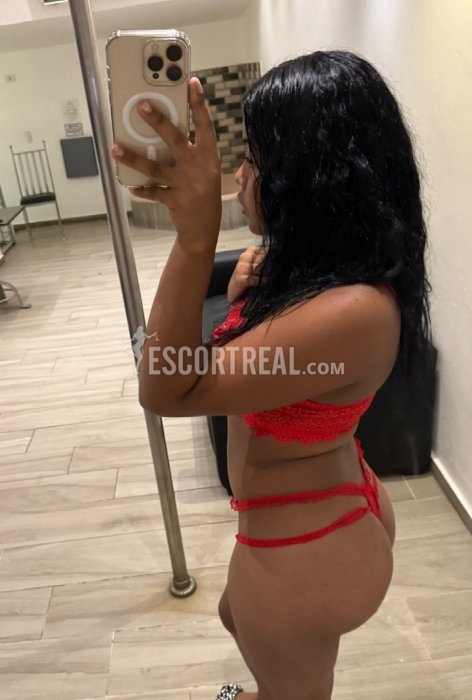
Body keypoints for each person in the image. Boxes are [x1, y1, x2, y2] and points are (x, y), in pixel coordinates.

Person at [111, 50, 431, 700]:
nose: (238, 174)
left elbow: (166, 383)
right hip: (311, 522)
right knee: (238, 617)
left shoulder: (354, 309)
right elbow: (234, 367)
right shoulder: (315, 273)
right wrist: (237, 295)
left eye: (254, 160)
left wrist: (195, 239)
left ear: (309, 177)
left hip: (308, 542)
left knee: (287, 677)